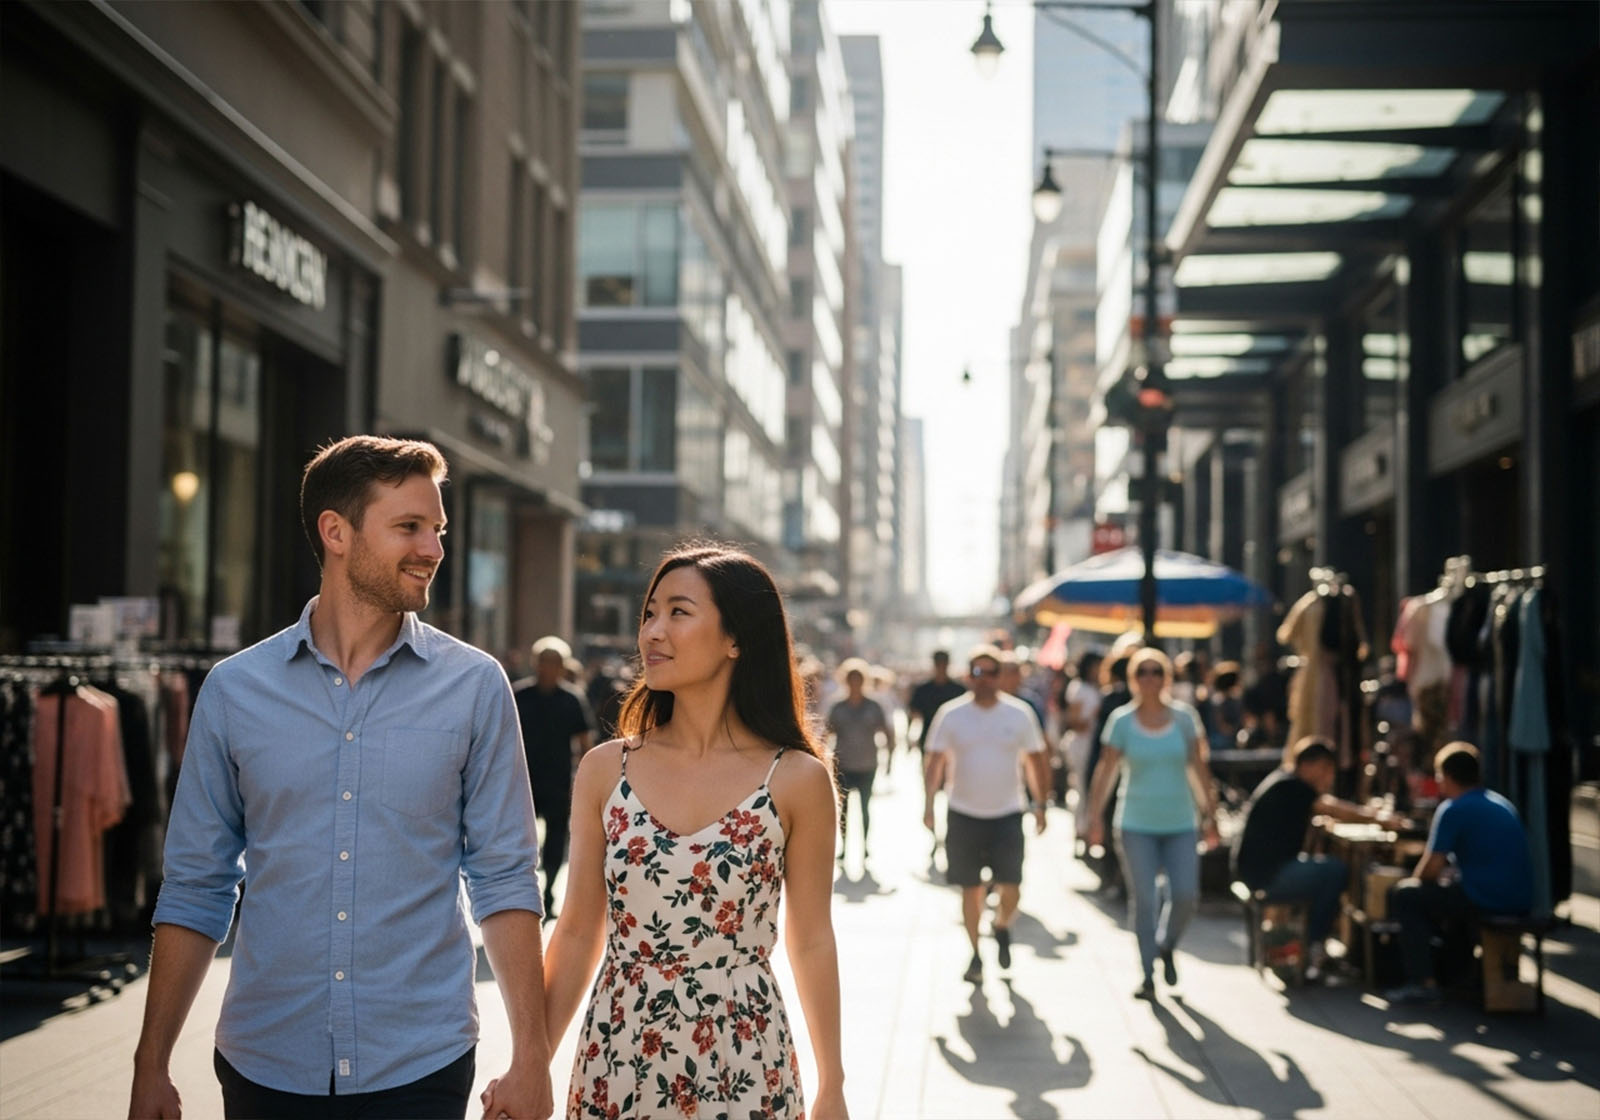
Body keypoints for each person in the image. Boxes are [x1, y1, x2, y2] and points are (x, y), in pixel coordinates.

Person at [129, 435, 552, 1120]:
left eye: (438, 529)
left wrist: (531, 1058)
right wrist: (151, 1064)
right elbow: (197, 887)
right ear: (336, 532)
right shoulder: (235, 692)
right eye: (409, 526)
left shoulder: (476, 687)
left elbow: (504, 877)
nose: (433, 549)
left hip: (422, 1062)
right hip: (266, 1063)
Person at [538, 545, 846, 1118]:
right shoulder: (607, 769)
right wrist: (532, 1064)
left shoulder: (798, 778)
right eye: (650, 613)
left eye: (678, 612)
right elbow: (578, 931)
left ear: (737, 639)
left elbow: (811, 939)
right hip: (620, 1049)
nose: (653, 631)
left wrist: (832, 1085)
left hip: (746, 1055)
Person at [1087, 647, 1219, 1000]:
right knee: (1144, 898)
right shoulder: (1122, 721)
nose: (1149, 678)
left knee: (1187, 895)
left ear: (1166, 678)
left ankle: (1166, 944)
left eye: (1156, 671)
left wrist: (1210, 814)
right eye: (1142, 672)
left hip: (1180, 821)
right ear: (1133, 678)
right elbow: (1106, 770)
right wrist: (1094, 815)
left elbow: (1199, 768)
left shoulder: (1185, 717)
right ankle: (1147, 974)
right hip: (1135, 823)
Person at [923, 646, 1052, 984]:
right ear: (969, 676)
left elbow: (1037, 759)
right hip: (963, 813)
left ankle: (1002, 925)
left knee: (1012, 887)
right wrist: (928, 805)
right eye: (977, 673)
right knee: (970, 889)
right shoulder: (951, 714)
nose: (984, 680)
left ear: (1000, 677)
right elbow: (934, 760)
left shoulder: (1019, 714)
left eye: (990, 673)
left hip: (1007, 814)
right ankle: (976, 954)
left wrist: (1041, 804)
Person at [1384, 741, 1533, 1006]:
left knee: (1406, 895)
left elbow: (1429, 870)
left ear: (1448, 776)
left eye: (1440, 776)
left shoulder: (1454, 808)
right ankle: (1457, 973)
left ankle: (1423, 983)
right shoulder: (1501, 803)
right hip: (1521, 898)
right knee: (1446, 896)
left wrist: (1414, 879)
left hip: (1486, 897)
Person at [1233, 737, 1398, 975]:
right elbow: (1330, 807)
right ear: (1309, 765)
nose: (1328, 777)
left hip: (1259, 871)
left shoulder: (1284, 781)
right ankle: (1312, 943)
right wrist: (1378, 818)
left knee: (1329, 870)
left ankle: (1312, 944)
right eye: (1325, 769)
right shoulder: (1293, 786)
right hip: (1265, 877)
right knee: (1336, 871)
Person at [513, 636, 597, 916]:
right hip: (523, 781)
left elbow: (585, 744)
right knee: (521, 840)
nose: (548, 668)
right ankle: (522, 893)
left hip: (558, 782)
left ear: (563, 666)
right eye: (544, 662)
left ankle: (548, 892)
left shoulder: (572, 699)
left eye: (554, 662)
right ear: (535, 664)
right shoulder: (519, 695)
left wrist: (585, 784)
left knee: (556, 841)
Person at [827, 658, 890, 866]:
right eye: (851, 679)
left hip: (867, 764)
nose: (855, 683)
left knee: (864, 808)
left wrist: (890, 758)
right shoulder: (838, 707)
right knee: (843, 810)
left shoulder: (874, 706)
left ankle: (865, 847)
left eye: (859, 679)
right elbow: (827, 733)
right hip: (843, 764)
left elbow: (887, 732)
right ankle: (844, 847)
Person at [1061, 650, 1105, 845]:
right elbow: (1073, 721)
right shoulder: (1079, 688)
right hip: (1081, 746)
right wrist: (1094, 715)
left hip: (1092, 745)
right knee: (1082, 787)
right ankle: (1081, 828)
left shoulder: (1096, 688)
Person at [908, 650, 966, 756]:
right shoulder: (922, 690)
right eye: (939, 663)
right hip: (929, 737)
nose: (941, 666)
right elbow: (914, 712)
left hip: (954, 739)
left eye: (943, 663)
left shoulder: (959, 690)